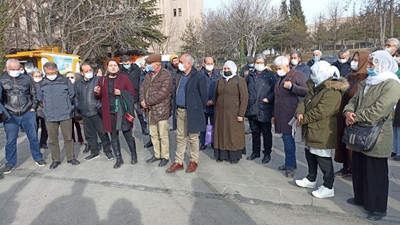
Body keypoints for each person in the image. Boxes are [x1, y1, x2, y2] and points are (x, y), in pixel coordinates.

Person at [344, 50, 400, 221]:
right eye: (368, 63)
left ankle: (378, 207)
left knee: (376, 172)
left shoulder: (391, 84)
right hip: (360, 131)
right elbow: (352, 101)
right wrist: (348, 112)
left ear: (382, 65)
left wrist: (356, 117)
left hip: (378, 134)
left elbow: (380, 109)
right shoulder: (368, 81)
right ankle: (361, 197)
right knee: (359, 166)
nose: (368, 67)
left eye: (371, 64)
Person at [295, 61, 349, 199]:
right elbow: (303, 102)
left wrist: (303, 119)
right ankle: (311, 178)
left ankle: (328, 186)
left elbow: (321, 111)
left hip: (323, 129)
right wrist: (299, 113)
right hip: (311, 128)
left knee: (323, 158)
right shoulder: (316, 86)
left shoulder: (332, 90)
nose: (311, 76)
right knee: (310, 154)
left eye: (313, 73)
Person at [0, 59, 46, 174]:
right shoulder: (2, 80)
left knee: (33, 137)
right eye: (13, 69)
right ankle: (10, 163)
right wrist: (4, 112)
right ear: (7, 68)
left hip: (27, 112)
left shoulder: (26, 79)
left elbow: (33, 93)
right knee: (10, 140)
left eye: (17, 69)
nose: (15, 71)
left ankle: (38, 157)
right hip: (10, 114)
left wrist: (33, 108)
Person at [166, 54, 207, 173]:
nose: (179, 63)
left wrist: (196, 108)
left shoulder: (198, 77)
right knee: (180, 137)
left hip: (192, 111)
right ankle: (179, 162)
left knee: (193, 137)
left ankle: (194, 161)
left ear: (189, 64)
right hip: (179, 110)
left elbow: (203, 96)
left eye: (181, 62)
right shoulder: (179, 75)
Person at [94, 59, 137, 168]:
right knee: (113, 135)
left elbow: (132, 93)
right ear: (107, 68)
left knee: (127, 133)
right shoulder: (102, 80)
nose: (113, 67)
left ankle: (133, 154)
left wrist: (121, 92)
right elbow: (98, 97)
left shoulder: (124, 78)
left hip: (122, 111)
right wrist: (97, 92)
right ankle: (118, 158)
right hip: (109, 112)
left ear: (118, 67)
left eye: (115, 65)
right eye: (110, 65)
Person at [334, 50, 371, 177]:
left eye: (356, 60)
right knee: (344, 141)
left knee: (352, 144)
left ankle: (353, 168)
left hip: (354, 116)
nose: (353, 63)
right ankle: (346, 166)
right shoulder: (351, 76)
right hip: (344, 113)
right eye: (353, 60)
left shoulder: (367, 79)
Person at [37, 62, 79, 169]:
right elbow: (40, 99)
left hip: (65, 114)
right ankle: (56, 159)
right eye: (48, 73)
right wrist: (46, 109)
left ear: (56, 70)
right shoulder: (41, 84)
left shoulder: (65, 81)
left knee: (68, 138)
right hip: (50, 116)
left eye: (52, 72)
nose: (50, 74)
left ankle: (71, 157)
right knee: (52, 140)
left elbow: (71, 95)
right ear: (45, 72)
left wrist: (67, 106)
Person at [272, 56, 308, 178]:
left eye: (279, 68)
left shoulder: (297, 75)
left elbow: (307, 91)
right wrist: (274, 115)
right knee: (285, 139)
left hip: (291, 113)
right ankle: (291, 162)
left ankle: (290, 166)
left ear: (287, 66)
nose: (278, 70)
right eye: (276, 68)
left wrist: (292, 87)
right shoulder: (279, 78)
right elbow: (277, 97)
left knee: (288, 140)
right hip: (280, 114)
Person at [75, 62, 113, 161]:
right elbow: (76, 97)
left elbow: (104, 95)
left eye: (90, 70)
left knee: (102, 133)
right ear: (82, 73)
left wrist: (99, 106)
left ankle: (108, 151)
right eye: (86, 71)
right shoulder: (78, 83)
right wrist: (79, 107)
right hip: (85, 113)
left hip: (96, 112)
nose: (89, 72)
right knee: (89, 134)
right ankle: (94, 151)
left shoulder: (98, 80)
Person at [140, 54, 173, 167]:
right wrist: (142, 100)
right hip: (149, 110)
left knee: (163, 135)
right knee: (153, 133)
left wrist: (147, 102)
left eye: (149, 63)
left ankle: (165, 156)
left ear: (157, 64)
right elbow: (142, 88)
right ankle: (157, 154)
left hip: (161, 110)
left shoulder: (166, 75)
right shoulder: (149, 75)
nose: (147, 66)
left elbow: (162, 94)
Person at [213, 61, 248, 164]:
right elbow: (216, 95)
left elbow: (244, 98)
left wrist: (241, 114)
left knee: (233, 134)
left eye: (228, 69)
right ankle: (221, 154)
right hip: (220, 113)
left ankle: (234, 156)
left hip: (234, 113)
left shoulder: (239, 81)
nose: (226, 71)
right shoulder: (219, 81)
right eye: (225, 69)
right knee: (221, 133)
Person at [245, 54, 277, 164]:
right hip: (252, 108)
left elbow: (275, 91)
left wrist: (269, 98)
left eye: (260, 62)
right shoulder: (250, 76)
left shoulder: (271, 76)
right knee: (255, 132)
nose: (258, 64)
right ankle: (255, 151)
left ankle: (267, 153)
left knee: (266, 133)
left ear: (265, 63)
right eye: (257, 62)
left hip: (265, 108)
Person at [120, 55, 148, 135]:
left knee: (139, 112)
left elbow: (141, 79)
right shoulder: (121, 71)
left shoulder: (136, 69)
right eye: (124, 64)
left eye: (127, 63)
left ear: (131, 62)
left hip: (136, 94)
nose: (126, 65)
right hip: (126, 94)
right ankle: (129, 129)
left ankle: (144, 127)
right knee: (128, 113)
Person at [198, 56, 221, 150]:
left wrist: (213, 100)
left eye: (212, 64)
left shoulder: (217, 75)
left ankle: (212, 141)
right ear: (204, 64)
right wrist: (205, 101)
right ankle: (203, 142)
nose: (210, 65)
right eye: (208, 63)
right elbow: (197, 90)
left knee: (213, 124)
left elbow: (220, 89)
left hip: (213, 104)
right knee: (203, 125)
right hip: (203, 104)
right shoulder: (199, 74)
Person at [65, 71, 85, 146]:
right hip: (68, 109)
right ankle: (72, 139)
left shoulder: (77, 85)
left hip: (76, 109)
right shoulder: (64, 87)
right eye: (68, 77)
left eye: (72, 77)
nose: (70, 79)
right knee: (70, 126)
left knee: (78, 125)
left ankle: (81, 139)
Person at [31, 68, 48, 149]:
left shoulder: (44, 84)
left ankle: (43, 142)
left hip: (44, 108)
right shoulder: (30, 85)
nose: (38, 77)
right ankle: (35, 143)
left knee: (45, 127)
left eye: (39, 76)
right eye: (36, 76)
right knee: (35, 127)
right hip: (33, 109)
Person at [165, 54, 179, 131]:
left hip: (179, 90)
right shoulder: (168, 70)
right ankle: (174, 126)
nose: (176, 62)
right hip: (172, 90)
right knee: (173, 110)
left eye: (176, 60)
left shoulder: (181, 68)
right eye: (174, 61)